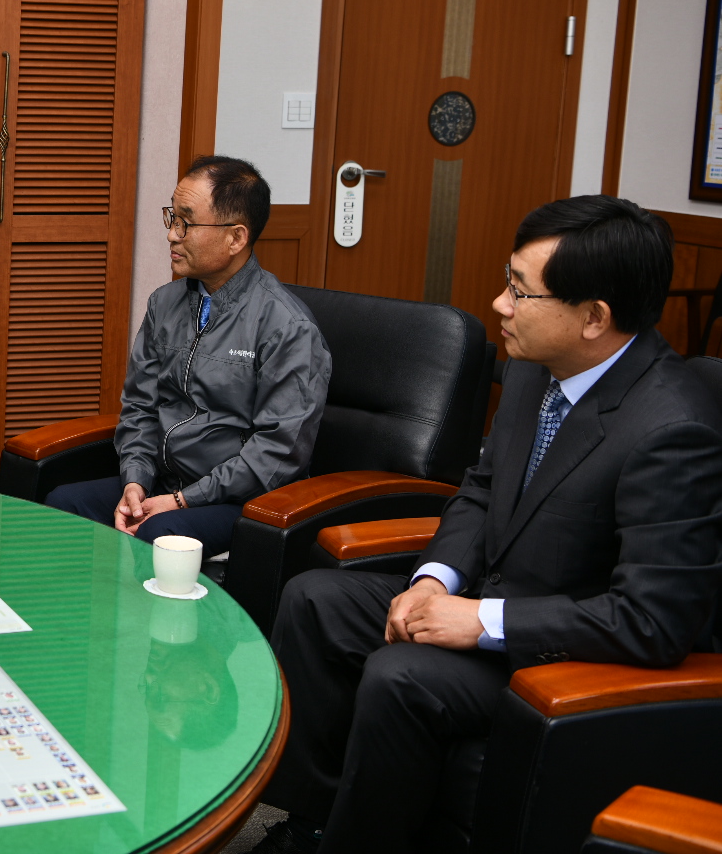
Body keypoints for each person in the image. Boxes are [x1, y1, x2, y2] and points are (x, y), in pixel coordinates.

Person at [254, 195, 722, 854]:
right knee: (315, 600)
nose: (500, 306)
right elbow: (480, 490)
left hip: (564, 656)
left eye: (520, 292)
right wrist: (433, 580)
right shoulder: (537, 371)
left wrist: (481, 623)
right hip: (490, 601)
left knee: (402, 674)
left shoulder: (673, 431)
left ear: (594, 317)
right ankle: (309, 824)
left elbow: (655, 621)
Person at [44, 156, 332, 554]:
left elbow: (277, 452)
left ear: (236, 238)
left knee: (158, 538)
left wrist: (183, 500)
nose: (172, 236)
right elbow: (141, 406)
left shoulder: (288, 327)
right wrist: (135, 482)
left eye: (187, 223)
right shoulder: (165, 303)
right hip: (162, 483)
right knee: (61, 506)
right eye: (172, 218)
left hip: (238, 502)